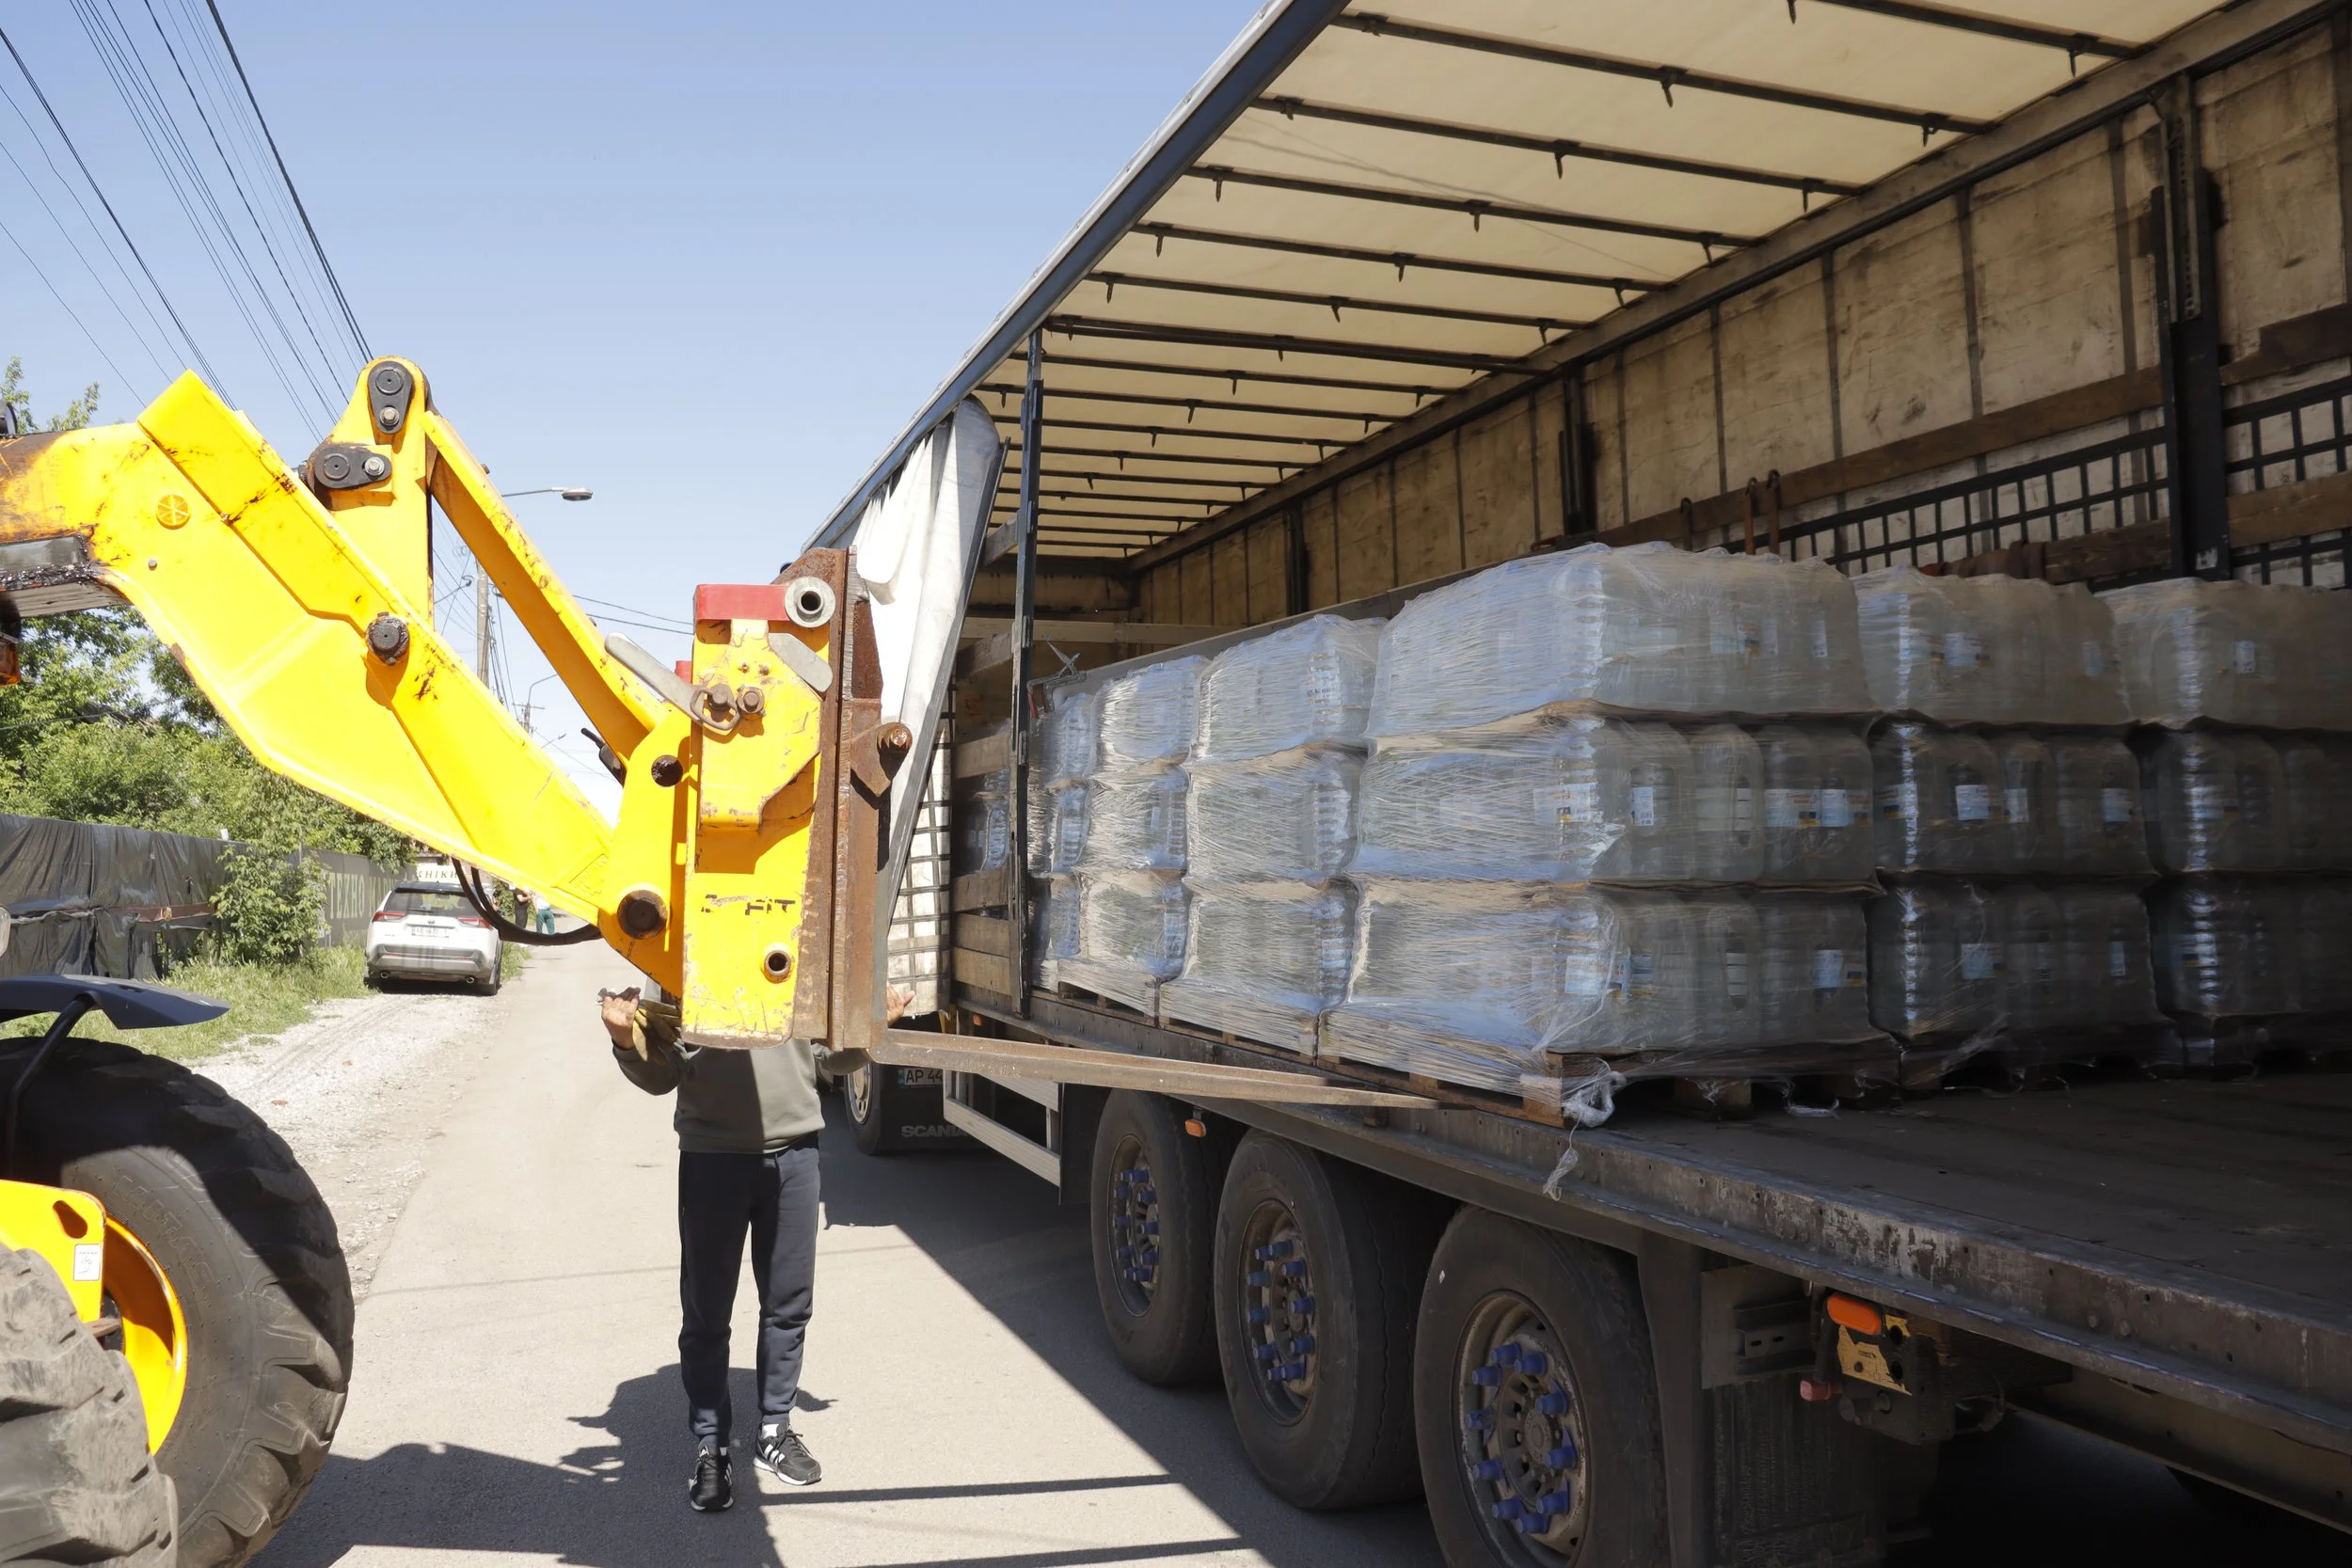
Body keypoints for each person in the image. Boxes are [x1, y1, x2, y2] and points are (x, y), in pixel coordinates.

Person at [599, 979, 911, 1513]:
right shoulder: (683, 965)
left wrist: (872, 1023)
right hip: (712, 1158)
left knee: (788, 1304)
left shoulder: (793, 959)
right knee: (706, 1310)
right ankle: (711, 1444)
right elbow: (663, 1075)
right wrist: (625, 1040)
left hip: (795, 1155)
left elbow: (829, 1058)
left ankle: (773, 1430)